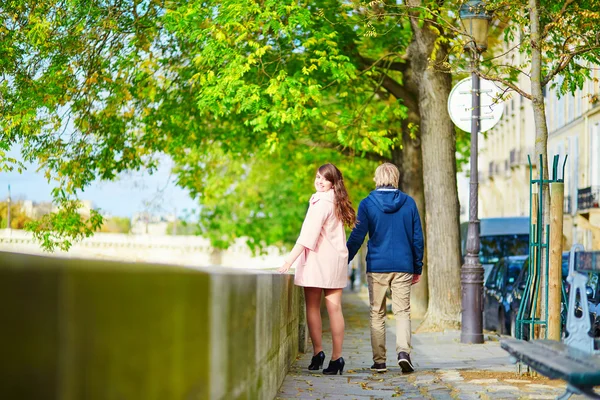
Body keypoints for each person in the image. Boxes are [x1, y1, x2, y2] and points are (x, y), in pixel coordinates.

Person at [278, 163, 356, 375]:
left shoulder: (320, 202)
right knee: (335, 309)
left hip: (318, 261)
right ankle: (336, 358)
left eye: (324, 178)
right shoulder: (337, 201)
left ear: (332, 182)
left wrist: (288, 262)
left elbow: (307, 237)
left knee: (313, 308)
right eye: (317, 177)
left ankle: (318, 353)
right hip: (336, 261)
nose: (319, 181)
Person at [346, 163, 424, 373]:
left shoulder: (367, 204)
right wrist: (417, 267)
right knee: (402, 311)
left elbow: (357, 236)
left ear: (377, 178)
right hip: (404, 265)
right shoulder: (409, 203)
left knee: (377, 312)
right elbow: (417, 238)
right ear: (396, 178)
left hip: (378, 265)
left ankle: (379, 361)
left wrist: (344, 259)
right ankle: (403, 353)